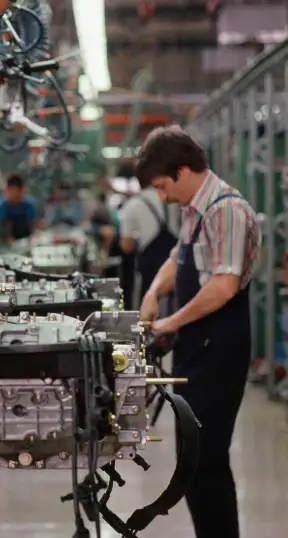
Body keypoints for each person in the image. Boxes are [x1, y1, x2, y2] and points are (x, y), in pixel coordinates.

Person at [137, 126, 261, 538]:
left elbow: (224, 286)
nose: (162, 197)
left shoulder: (226, 210)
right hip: (196, 346)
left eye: (161, 186)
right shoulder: (195, 208)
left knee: (206, 462)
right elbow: (178, 259)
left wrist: (171, 322)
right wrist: (154, 292)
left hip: (219, 348)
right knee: (193, 459)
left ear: (183, 170)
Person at [118, 165, 180, 309]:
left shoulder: (133, 205)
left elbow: (126, 246)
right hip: (176, 260)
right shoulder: (173, 200)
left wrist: (136, 238)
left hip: (149, 267)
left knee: (147, 304)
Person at [0, 174, 39, 240]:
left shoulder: (29, 205)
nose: (14, 196)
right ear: (7, 190)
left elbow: (33, 227)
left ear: (22, 191)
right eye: (10, 191)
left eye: (17, 193)